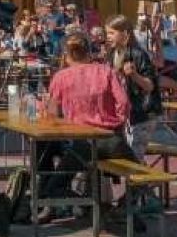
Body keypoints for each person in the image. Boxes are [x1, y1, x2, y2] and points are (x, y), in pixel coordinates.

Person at [37, 37, 133, 222]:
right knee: (142, 179)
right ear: (89, 52)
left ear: (66, 55)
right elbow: (124, 103)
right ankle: (118, 206)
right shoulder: (106, 72)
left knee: (53, 185)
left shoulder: (61, 77)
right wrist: (118, 122)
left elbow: (52, 114)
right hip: (112, 139)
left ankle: (87, 204)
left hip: (82, 143)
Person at [104, 15, 162, 156]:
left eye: (112, 33)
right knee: (126, 156)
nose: (108, 37)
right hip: (125, 115)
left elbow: (150, 86)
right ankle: (154, 179)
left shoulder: (138, 54)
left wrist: (134, 75)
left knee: (134, 157)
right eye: (107, 33)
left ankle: (151, 178)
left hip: (141, 113)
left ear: (125, 33)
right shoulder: (112, 54)